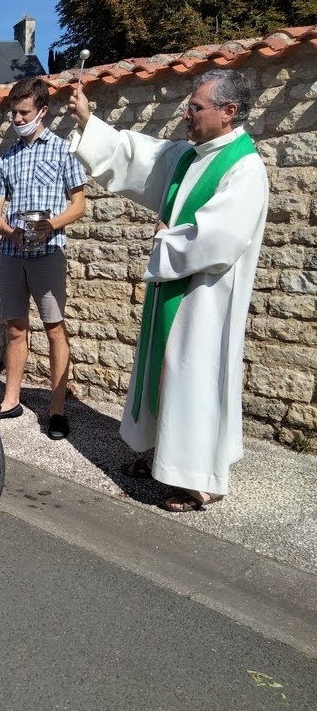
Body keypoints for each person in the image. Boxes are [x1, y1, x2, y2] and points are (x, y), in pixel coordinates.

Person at [68, 69, 269, 512]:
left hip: (205, 300)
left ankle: (198, 482)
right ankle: (164, 462)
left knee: (193, 378)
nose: (186, 114)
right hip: (174, 292)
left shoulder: (244, 166)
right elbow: (140, 155)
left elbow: (219, 237)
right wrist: (87, 122)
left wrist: (164, 238)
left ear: (229, 112)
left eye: (196, 107)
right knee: (166, 375)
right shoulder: (189, 156)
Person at [0, 76, 87, 440]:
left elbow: (79, 205)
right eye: (13, 111)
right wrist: (12, 232)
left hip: (48, 252)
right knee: (15, 328)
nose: (16, 118)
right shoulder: (7, 158)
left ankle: (57, 409)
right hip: (12, 253)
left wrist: (49, 225)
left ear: (42, 111)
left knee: (53, 328)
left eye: (23, 111)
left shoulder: (64, 151)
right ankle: (10, 399)